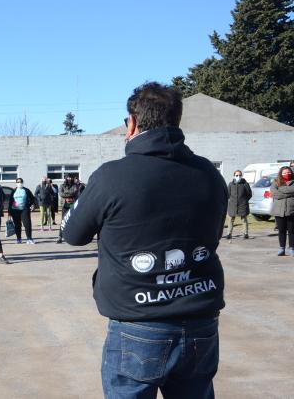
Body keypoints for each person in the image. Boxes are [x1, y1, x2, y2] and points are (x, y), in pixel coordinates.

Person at [62, 82, 226, 398]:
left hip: (140, 324)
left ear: (133, 123)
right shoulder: (208, 173)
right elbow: (215, 232)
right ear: (175, 121)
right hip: (200, 323)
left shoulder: (112, 176)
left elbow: (72, 234)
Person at [271, 166, 294, 256]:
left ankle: (292, 248)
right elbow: (275, 194)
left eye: (288, 172)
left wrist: (281, 190)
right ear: (281, 174)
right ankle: (282, 248)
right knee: (281, 231)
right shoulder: (276, 182)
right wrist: (290, 194)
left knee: (292, 231)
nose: (286, 174)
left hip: (291, 210)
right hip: (279, 211)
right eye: (284, 173)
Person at [226, 170, 252, 240]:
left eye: (240, 175)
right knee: (231, 219)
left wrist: (244, 200)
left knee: (244, 219)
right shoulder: (231, 184)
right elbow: (228, 194)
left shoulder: (245, 184)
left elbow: (249, 194)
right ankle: (229, 234)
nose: (238, 177)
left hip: (242, 205)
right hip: (232, 205)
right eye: (237, 175)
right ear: (234, 176)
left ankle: (245, 233)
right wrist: (231, 201)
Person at [9, 177, 36, 244]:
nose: (19, 183)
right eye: (18, 182)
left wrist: (32, 204)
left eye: (20, 182)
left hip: (24, 209)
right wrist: (9, 211)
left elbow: (33, 199)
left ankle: (29, 238)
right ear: (16, 183)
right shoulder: (14, 191)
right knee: (17, 225)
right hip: (15, 210)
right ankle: (19, 239)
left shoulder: (26, 190)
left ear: (22, 183)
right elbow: (10, 201)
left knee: (27, 224)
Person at [57, 176, 81, 244]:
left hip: (73, 205)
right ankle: (60, 237)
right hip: (65, 205)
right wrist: (68, 197)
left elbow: (76, 193)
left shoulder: (75, 185)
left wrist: (67, 195)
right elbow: (61, 194)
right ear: (66, 178)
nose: (69, 179)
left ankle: (74, 236)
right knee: (63, 221)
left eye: (70, 177)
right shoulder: (62, 185)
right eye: (68, 177)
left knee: (74, 221)